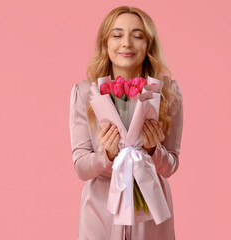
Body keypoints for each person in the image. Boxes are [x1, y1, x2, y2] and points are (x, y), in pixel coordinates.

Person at [69, 6, 183, 240]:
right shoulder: (85, 93)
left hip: (150, 213)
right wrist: (107, 155)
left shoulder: (169, 93)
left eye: (138, 35)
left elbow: (171, 165)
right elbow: (81, 167)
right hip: (101, 211)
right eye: (117, 35)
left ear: (149, 44)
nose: (127, 43)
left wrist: (153, 151)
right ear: (105, 43)